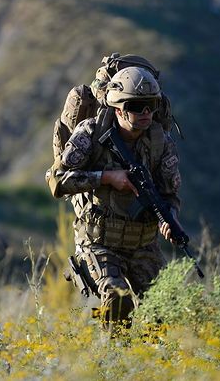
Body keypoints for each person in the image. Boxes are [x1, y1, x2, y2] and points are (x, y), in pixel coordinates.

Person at [48, 65, 183, 329]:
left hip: (143, 243)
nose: (145, 113)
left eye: (150, 106)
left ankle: (147, 363)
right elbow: (58, 181)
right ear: (118, 108)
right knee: (117, 299)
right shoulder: (91, 133)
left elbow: (170, 194)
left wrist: (170, 219)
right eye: (136, 106)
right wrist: (107, 178)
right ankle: (112, 360)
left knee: (163, 308)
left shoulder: (159, 141)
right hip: (99, 240)